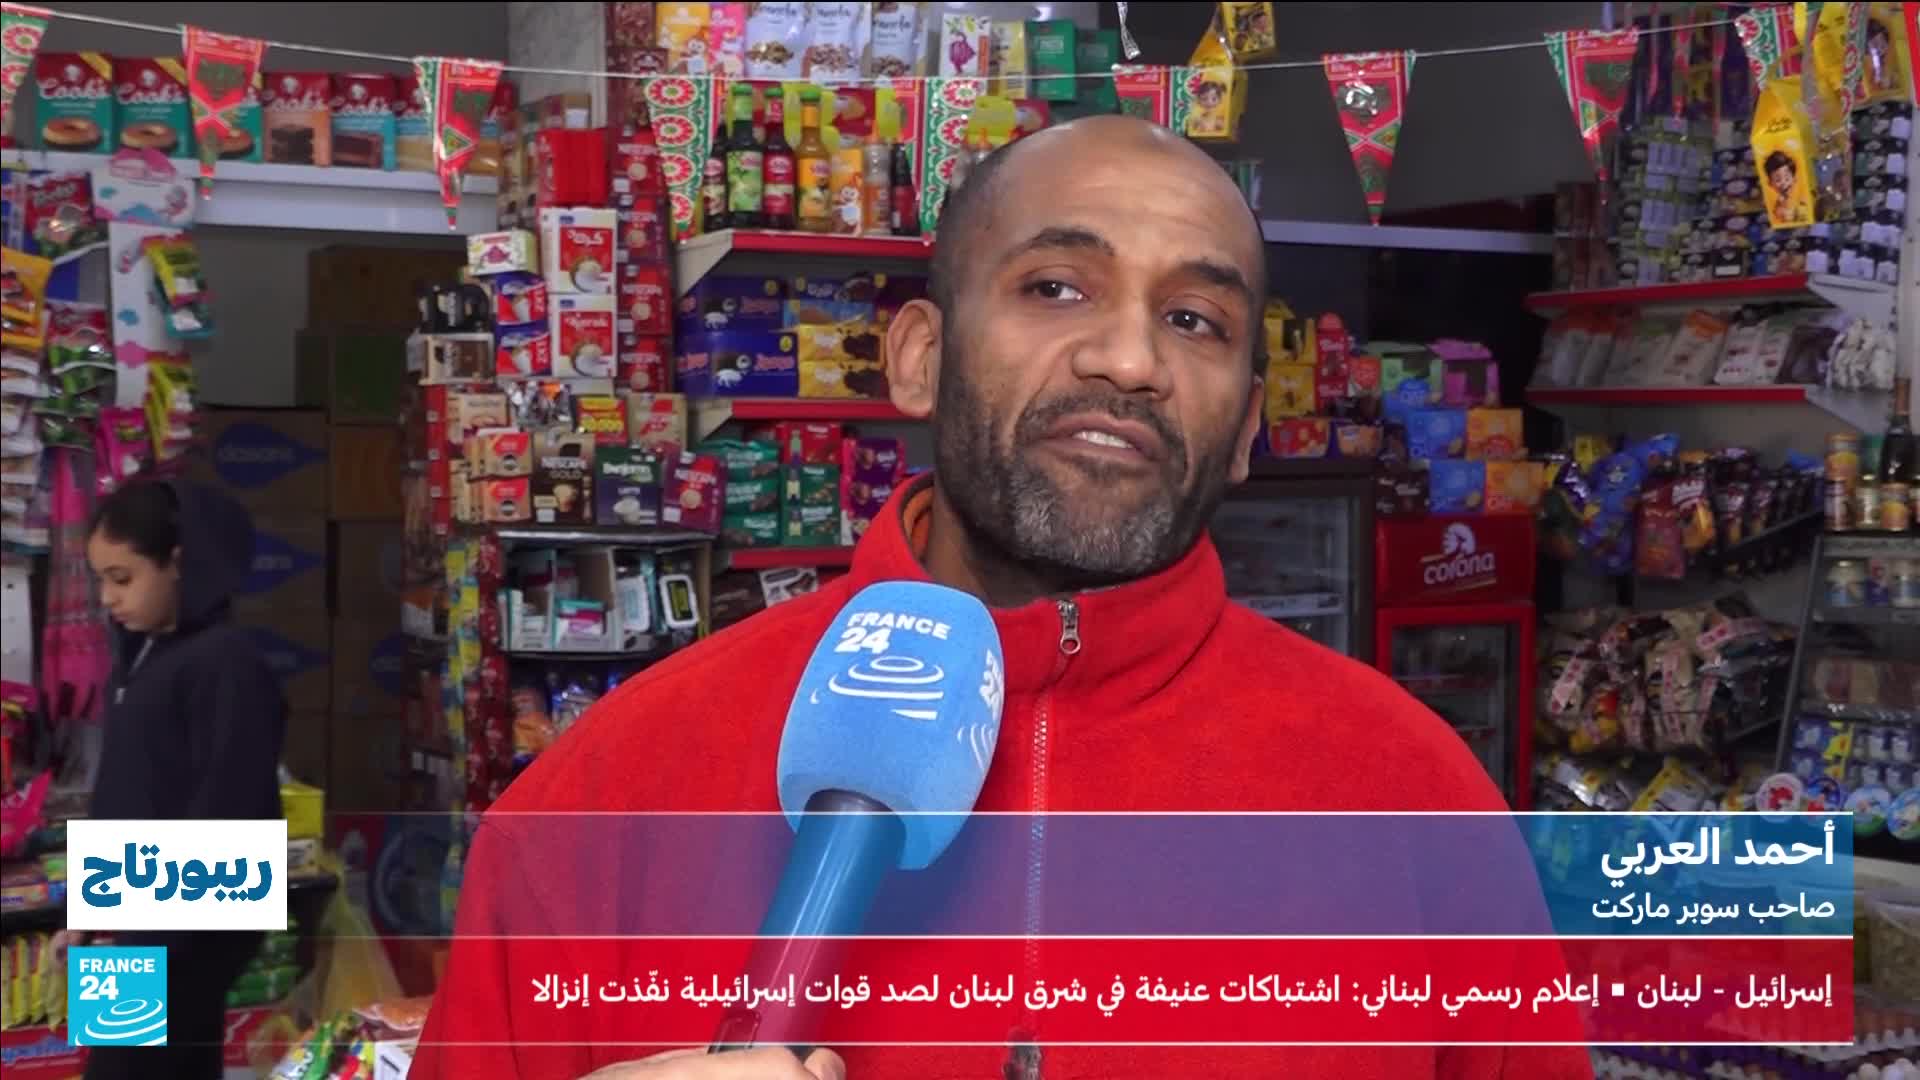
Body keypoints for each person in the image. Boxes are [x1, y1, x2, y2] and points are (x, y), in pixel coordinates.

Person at [411, 115, 1591, 1080]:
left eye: (1195, 319)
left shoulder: (1417, 806)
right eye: (1057, 287)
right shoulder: (606, 799)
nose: (1129, 360)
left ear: (1244, 429)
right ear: (918, 359)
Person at [74, 477, 288, 1080]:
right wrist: (90, 912)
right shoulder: (142, 655)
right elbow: (127, 791)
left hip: (179, 928)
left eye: (123, 578)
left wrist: (155, 941)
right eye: (101, 579)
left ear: (177, 564)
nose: (108, 598)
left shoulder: (225, 664)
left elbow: (229, 807)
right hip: (135, 915)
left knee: (131, 1070)